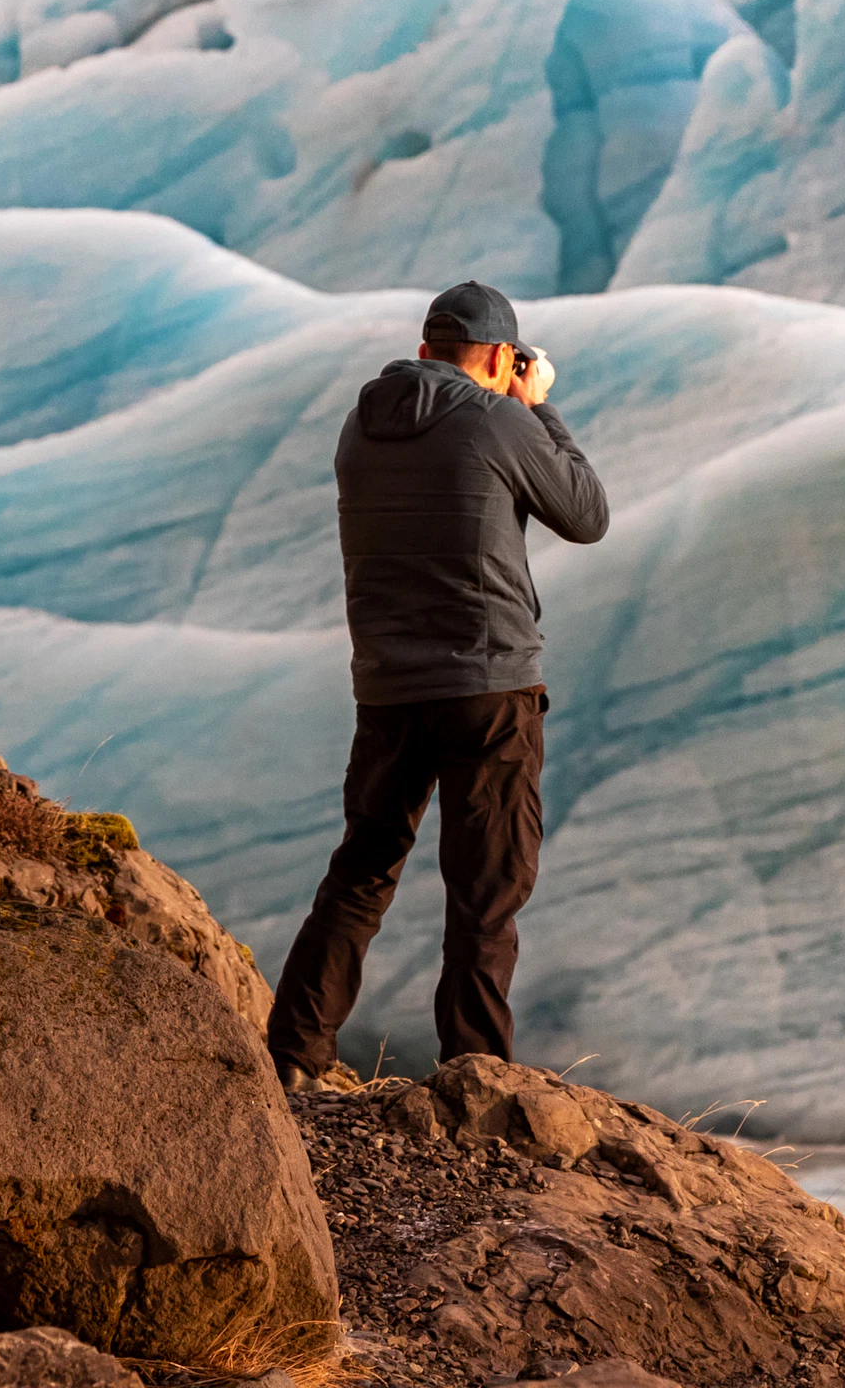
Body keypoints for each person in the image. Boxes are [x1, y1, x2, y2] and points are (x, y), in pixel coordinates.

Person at [265, 280, 609, 1087]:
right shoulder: (498, 419)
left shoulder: (360, 428)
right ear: (499, 357)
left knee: (362, 873)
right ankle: (477, 1077)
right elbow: (585, 514)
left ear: (423, 351)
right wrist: (538, 408)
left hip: (389, 690)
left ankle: (291, 1059)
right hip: (489, 688)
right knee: (486, 895)